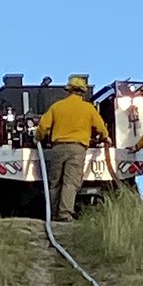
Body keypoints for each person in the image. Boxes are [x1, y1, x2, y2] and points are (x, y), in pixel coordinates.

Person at [34, 75, 111, 221]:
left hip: (57, 148)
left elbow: (43, 126)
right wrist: (106, 137)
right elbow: (101, 127)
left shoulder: (57, 107)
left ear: (68, 90)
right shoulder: (88, 109)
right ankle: (64, 214)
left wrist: (37, 138)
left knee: (55, 182)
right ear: (83, 92)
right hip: (77, 149)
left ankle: (52, 214)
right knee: (70, 182)